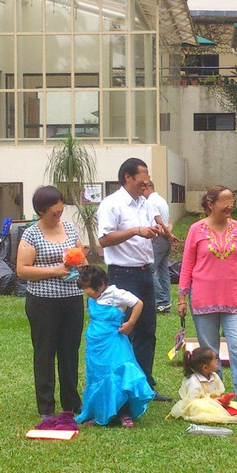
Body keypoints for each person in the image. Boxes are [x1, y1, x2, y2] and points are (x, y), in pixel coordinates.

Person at [178, 185, 237, 415]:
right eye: (225, 201)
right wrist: (182, 297)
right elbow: (187, 265)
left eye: (232, 200)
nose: (230, 205)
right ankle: (217, 397)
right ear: (211, 204)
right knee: (210, 353)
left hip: (234, 298)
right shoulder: (196, 229)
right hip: (203, 299)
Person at [97, 157, 171, 400]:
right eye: (142, 178)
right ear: (128, 177)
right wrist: (136, 231)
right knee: (124, 330)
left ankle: (145, 385)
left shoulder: (145, 204)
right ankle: (122, 387)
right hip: (122, 275)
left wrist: (154, 232)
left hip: (144, 273)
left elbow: (145, 232)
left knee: (147, 331)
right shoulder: (112, 204)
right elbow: (104, 240)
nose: (146, 183)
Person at [16, 185, 86, 430]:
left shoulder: (69, 228)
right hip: (43, 302)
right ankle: (46, 406)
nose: (59, 214)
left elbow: (82, 257)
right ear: (42, 211)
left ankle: (71, 402)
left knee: (70, 351)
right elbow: (22, 270)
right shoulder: (31, 235)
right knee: (45, 352)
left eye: (61, 210)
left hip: (72, 299)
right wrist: (54, 270)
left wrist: (80, 264)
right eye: (54, 212)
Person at [75, 266, 155, 428]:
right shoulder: (92, 297)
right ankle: (100, 412)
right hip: (96, 344)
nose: (87, 293)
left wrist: (130, 323)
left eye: (89, 289)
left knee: (119, 373)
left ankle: (124, 412)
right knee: (98, 375)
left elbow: (138, 303)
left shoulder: (116, 294)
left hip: (114, 342)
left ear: (101, 284)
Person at [169, 346, 237, 424]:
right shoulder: (194, 381)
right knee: (201, 407)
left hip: (216, 403)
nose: (217, 361)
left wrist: (222, 400)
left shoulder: (215, 377)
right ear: (205, 367)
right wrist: (211, 401)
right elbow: (192, 401)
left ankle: (222, 410)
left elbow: (220, 392)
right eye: (214, 359)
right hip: (199, 406)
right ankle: (219, 412)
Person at [142, 179, 174, 313]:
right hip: (165, 240)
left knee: (149, 270)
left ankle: (162, 301)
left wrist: (167, 233)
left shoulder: (150, 201)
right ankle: (166, 303)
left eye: (142, 188)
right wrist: (169, 234)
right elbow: (169, 222)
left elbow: (159, 221)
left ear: (147, 187)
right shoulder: (161, 200)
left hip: (159, 239)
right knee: (163, 272)